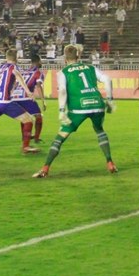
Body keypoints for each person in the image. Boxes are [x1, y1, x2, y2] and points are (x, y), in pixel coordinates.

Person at [33, 44, 117, 178]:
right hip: (97, 104)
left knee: (60, 137)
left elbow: (63, 91)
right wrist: (110, 100)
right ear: (78, 56)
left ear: (65, 59)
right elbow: (107, 79)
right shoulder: (91, 67)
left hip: (78, 108)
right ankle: (110, 162)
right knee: (99, 130)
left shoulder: (63, 72)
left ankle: (45, 168)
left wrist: (61, 110)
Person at [11, 53, 47, 145]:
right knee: (38, 116)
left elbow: (15, 83)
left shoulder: (23, 72)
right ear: (38, 61)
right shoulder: (38, 72)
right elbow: (39, 86)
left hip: (15, 97)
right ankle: (36, 138)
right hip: (25, 97)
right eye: (41, 60)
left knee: (24, 117)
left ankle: (24, 137)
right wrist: (43, 101)